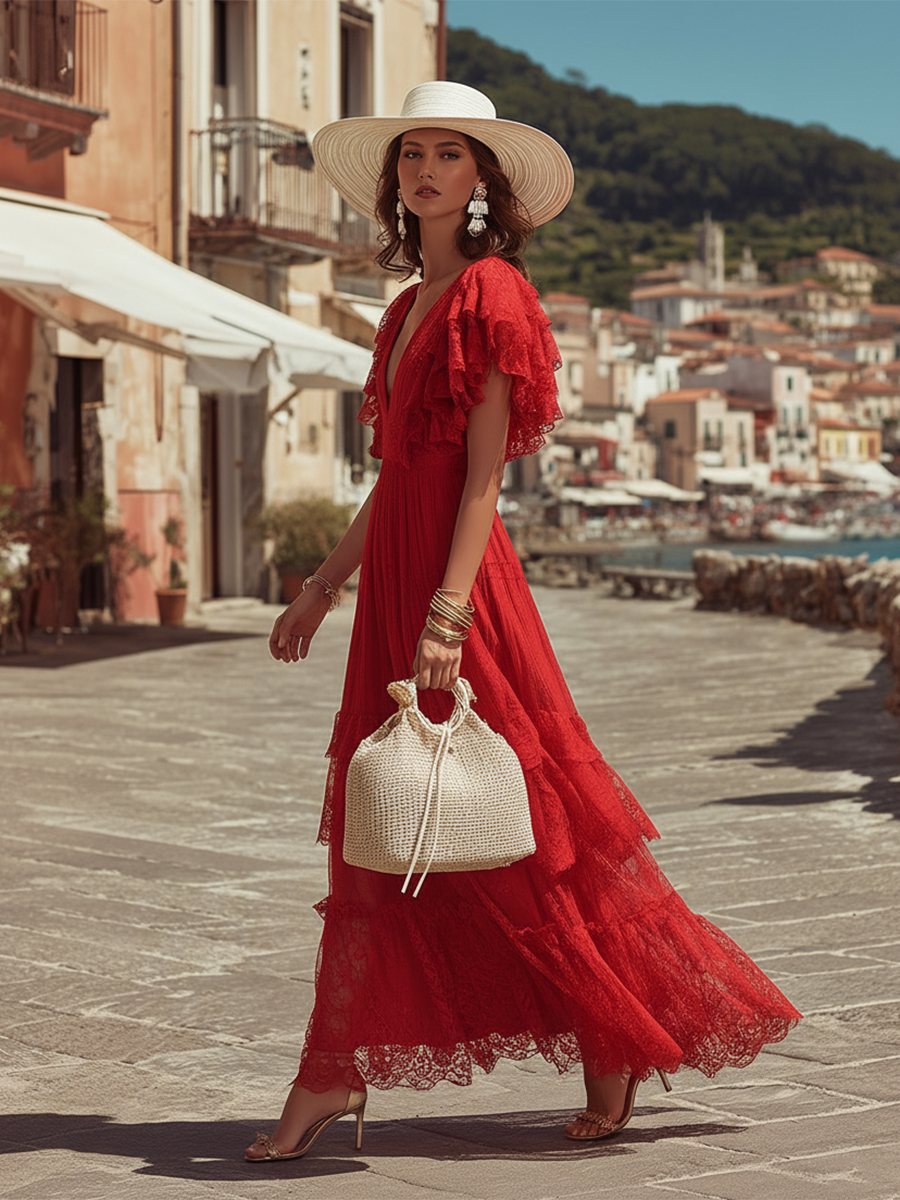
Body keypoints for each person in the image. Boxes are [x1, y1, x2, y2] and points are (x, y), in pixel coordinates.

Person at [245, 81, 800, 1163]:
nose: (425, 170)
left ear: (484, 181)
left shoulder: (494, 294)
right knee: (383, 825)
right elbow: (397, 477)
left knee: (524, 820)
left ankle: (610, 1034)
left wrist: (449, 615)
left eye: (449, 154)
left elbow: (481, 480)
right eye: (412, 154)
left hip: (462, 590)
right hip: (397, 584)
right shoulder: (405, 310)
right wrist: (322, 587)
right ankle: (334, 1068)